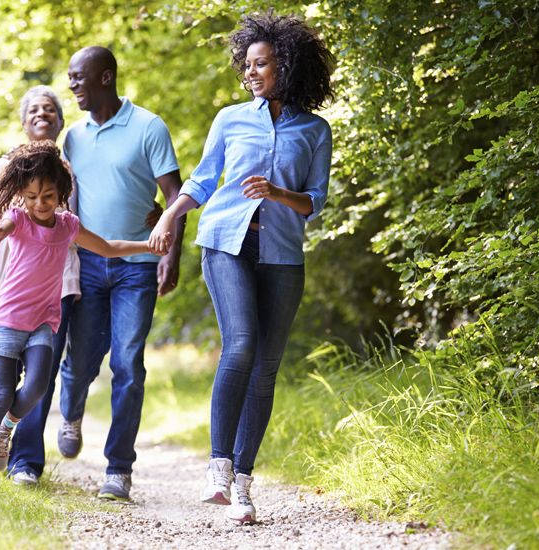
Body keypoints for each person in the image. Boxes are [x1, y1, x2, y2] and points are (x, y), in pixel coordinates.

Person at [149, 13, 334, 523]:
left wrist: (277, 192)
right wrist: (169, 215)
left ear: (287, 66)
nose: (250, 73)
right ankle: (218, 466)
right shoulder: (230, 119)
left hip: (282, 255)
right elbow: (205, 180)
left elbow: (316, 202)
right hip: (225, 243)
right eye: (247, 65)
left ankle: (244, 485)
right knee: (243, 344)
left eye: (261, 64)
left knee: (267, 367)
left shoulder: (315, 130)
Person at [0, 86, 162, 486]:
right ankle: (18, 462)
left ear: (62, 121)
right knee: (5, 389)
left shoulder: (71, 168)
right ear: (22, 118)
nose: (42, 114)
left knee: (53, 375)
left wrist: (150, 223)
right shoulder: (6, 174)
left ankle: (39, 427)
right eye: (34, 108)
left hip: (69, 284)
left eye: (50, 108)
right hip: (13, 304)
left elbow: (104, 222)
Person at [57, 46, 185, 501]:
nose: (72, 85)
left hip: (138, 266)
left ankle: (118, 470)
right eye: (69, 78)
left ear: (105, 77)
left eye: (78, 78)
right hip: (89, 264)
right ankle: (69, 412)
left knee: (128, 364)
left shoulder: (148, 127)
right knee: (81, 363)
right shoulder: (71, 137)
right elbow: (61, 201)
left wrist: (172, 255)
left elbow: (175, 197)